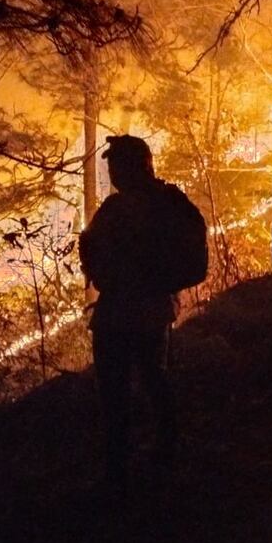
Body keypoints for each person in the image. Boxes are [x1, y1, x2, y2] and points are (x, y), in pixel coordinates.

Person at [79, 134, 204, 498]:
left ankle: (154, 454)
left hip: (143, 308)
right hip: (119, 308)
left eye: (117, 164)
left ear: (139, 165)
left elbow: (190, 259)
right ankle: (124, 464)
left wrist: (152, 280)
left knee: (148, 380)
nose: (113, 171)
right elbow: (93, 245)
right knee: (122, 388)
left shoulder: (164, 205)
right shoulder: (121, 207)